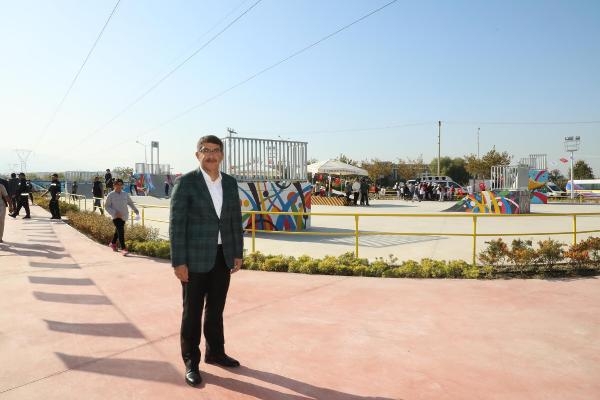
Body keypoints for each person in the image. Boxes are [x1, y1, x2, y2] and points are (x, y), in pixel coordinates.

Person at [170, 135, 243, 387]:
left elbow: (234, 219)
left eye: (215, 150)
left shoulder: (230, 183)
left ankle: (216, 352)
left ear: (221, 154)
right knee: (192, 312)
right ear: (197, 154)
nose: (210, 155)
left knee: (216, 309)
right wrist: (178, 262)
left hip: (223, 256)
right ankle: (191, 361)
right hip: (194, 259)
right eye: (205, 150)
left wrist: (237, 252)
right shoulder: (186, 183)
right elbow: (176, 225)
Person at [104, 178, 139, 255]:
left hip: (124, 216)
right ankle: (123, 248)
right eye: (117, 184)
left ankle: (113, 243)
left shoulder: (125, 194)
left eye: (120, 184)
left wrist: (135, 210)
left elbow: (130, 203)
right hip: (116, 217)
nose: (119, 186)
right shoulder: (111, 195)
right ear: (114, 185)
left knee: (118, 231)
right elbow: (106, 206)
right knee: (121, 231)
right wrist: (114, 213)